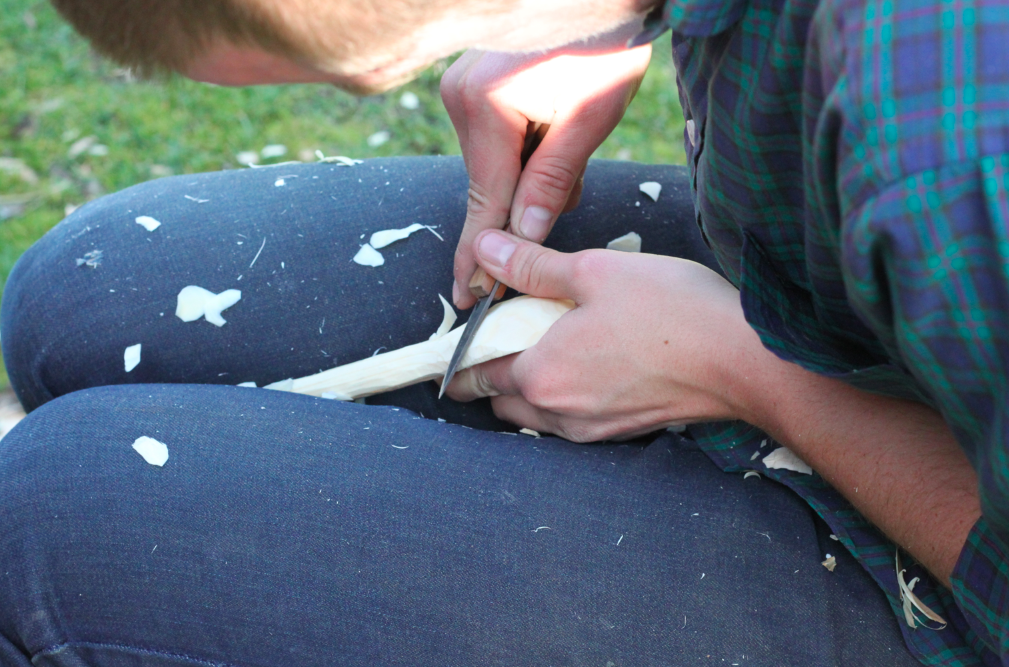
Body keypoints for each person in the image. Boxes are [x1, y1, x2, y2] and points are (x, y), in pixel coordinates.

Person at [0, 0, 1004, 664]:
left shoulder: (944, 151)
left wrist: (742, 371)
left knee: (42, 533)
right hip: (874, 313)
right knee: (83, 297)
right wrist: (608, 16)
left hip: (959, 568)